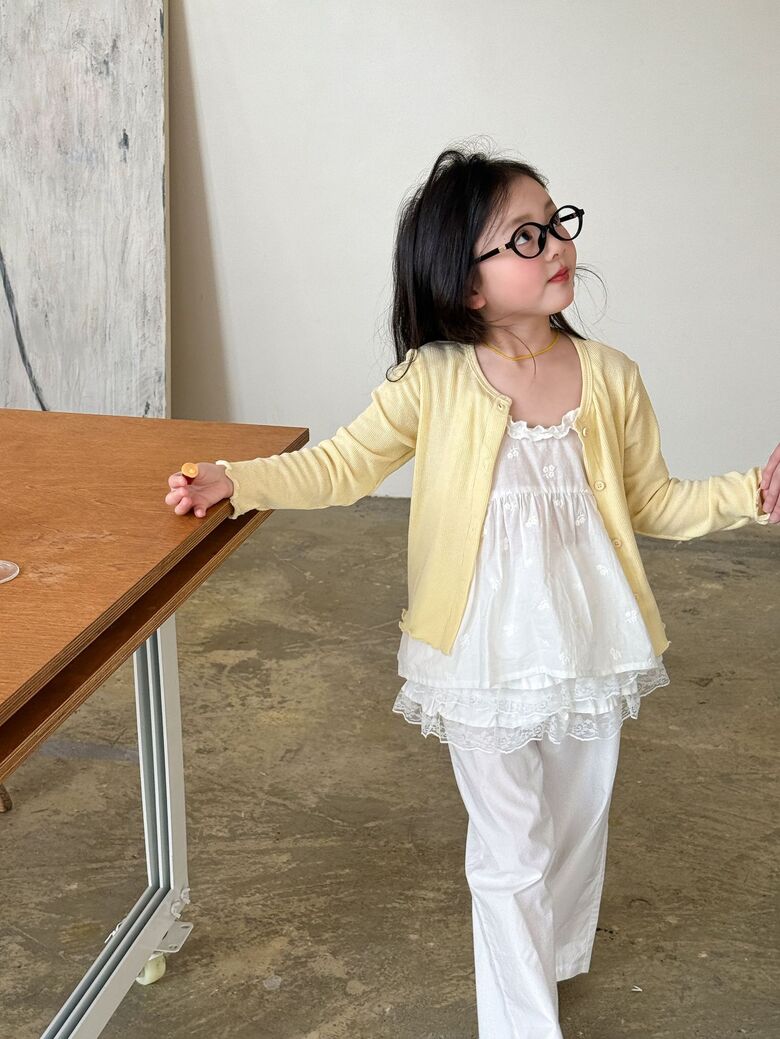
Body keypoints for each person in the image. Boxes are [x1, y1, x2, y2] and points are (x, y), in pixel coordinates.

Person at [165, 145, 779, 1038]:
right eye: (525, 237)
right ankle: (522, 1021)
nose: (556, 244)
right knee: (511, 845)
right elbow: (342, 466)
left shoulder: (611, 377)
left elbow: (653, 501)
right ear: (467, 284)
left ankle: (547, 957)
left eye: (556, 223)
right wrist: (239, 479)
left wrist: (754, 494)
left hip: (587, 639)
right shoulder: (433, 379)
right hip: (479, 647)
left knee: (574, 826)